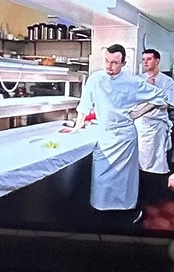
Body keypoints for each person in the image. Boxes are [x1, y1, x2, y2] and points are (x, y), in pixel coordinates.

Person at [73, 45, 166, 221]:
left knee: (125, 183)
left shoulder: (132, 81)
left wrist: (139, 113)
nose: (109, 66)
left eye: (114, 63)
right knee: (100, 180)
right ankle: (100, 216)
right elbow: (85, 105)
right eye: (107, 61)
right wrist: (77, 127)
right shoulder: (96, 78)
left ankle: (127, 215)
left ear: (123, 63)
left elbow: (160, 96)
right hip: (104, 135)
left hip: (125, 138)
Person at [136, 48, 174, 206]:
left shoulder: (167, 81)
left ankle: (157, 200)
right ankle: (141, 199)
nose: (145, 62)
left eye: (149, 59)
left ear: (157, 61)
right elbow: (133, 101)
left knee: (156, 163)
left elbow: (168, 103)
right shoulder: (139, 79)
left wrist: (153, 92)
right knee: (139, 163)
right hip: (140, 125)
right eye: (144, 59)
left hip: (156, 126)